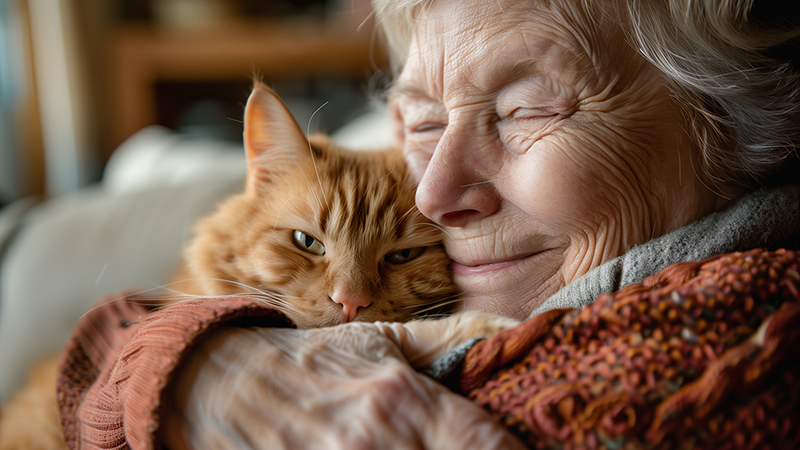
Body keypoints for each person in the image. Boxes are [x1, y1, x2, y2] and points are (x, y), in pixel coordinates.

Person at [55, 0, 800, 448]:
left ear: (735, 125)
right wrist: (191, 368)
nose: (435, 194)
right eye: (424, 119)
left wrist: (168, 374)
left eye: (524, 109)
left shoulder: (725, 349)